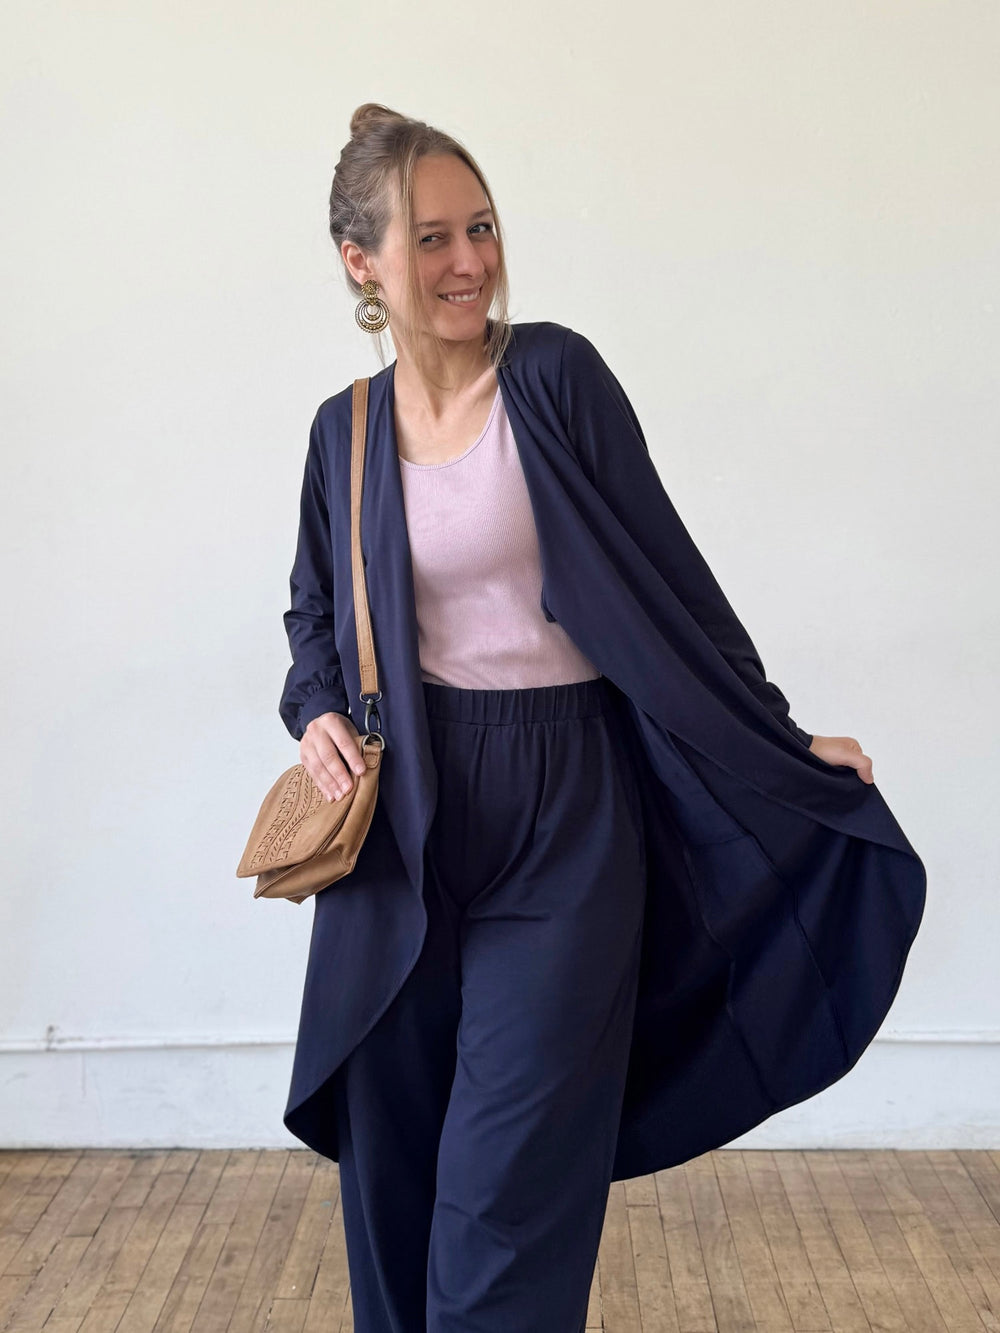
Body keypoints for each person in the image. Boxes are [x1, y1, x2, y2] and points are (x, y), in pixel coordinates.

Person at [276, 103, 926, 1333]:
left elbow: (672, 580)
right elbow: (314, 613)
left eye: (480, 228)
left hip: (567, 809)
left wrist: (777, 736)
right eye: (431, 238)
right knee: (394, 1171)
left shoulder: (554, 379)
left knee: (510, 1192)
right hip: (400, 823)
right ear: (361, 263)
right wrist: (313, 711)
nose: (469, 261)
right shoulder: (342, 431)